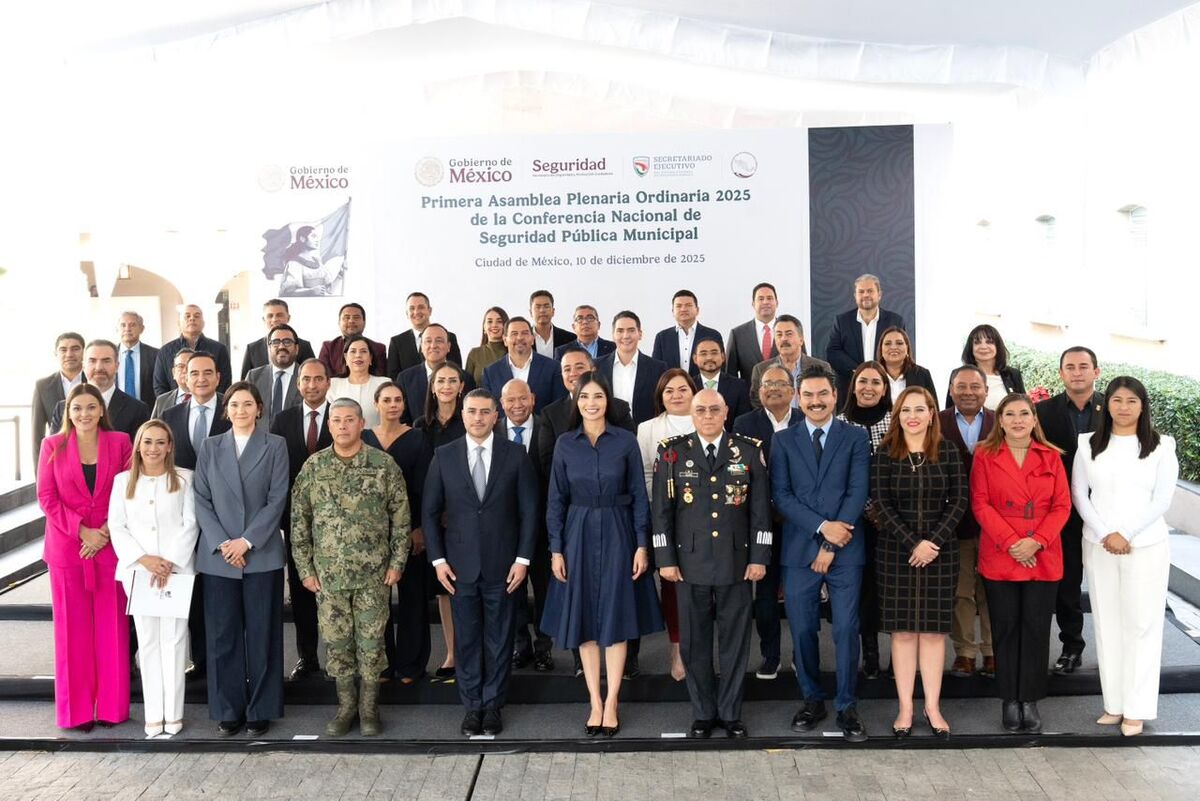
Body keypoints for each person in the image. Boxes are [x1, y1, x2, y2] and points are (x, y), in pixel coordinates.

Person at [541, 372, 664, 737]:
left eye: (597, 396)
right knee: (585, 623)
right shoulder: (565, 443)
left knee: (616, 616)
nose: (591, 403)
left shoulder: (625, 441)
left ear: (607, 401)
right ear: (576, 402)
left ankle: (613, 703)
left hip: (618, 530)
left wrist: (642, 544)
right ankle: (594, 701)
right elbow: (555, 500)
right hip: (577, 532)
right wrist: (555, 549)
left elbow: (640, 497)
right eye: (584, 397)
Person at [651, 389, 771, 738]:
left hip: (736, 562)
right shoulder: (672, 452)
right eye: (700, 409)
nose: (706, 415)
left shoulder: (748, 451)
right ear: (691, 412)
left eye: (713, 409)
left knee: (735, 642)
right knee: (694, 642)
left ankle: (731, 713)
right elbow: (661, 513)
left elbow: (760, 510)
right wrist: (666, 560)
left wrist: (759, 557)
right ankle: (703, 713)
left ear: (726, 412)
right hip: (688, 563)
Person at [292, 397, 411, 737]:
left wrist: (396, 563)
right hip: (329, 577)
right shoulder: (313, 468)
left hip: (374, 576)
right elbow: (300, 522)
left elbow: (401, 520)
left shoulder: (383, 465)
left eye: (349, 420)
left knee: (372, 645)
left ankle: (370, 709)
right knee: (338, 644)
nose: (343, 426)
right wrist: (305, 570)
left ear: (362, 424)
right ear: (329, 426)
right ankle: (345, 707)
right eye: (337, 420)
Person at [424, 389, 538, 736]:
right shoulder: (444, 455)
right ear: (463, 415)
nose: (477, 418)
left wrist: (523, 559)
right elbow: (429, 513)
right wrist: (438, 560)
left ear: (495, 416)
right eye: (471, 411)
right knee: (468, 639)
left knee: (499, 638)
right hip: (458, 568)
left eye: (485, 412)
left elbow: (530, 511)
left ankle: (493, 705)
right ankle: (472, 706)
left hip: (504, 566)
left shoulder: (515, 454)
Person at [1072, 376, 1178, 737]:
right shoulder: (1088, 444)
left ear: (1143, 405)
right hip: (1100, 544)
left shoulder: (1162, 445)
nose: (1124, 407)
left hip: (1145, 545)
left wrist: (1126, 533)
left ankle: (1137, 707)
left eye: (1132, 401)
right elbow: (1080, 496)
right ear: (1107, 405)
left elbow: (1162, 499)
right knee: (1106, 623)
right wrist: (1106, 534)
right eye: (1117, 400)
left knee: (1141, 625)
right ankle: (1114, 704)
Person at [771, 366, 871, 742]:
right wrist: (819, 529)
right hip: (799, 550)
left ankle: (847, 705)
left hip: (845, 549)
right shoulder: (783, 440)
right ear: (798, 398)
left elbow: (857, 491)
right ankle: (812, 698)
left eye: (822, 394)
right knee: (801, 629)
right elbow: (781, 495)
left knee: (846, 629)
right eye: (808, 395)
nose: (815, 401)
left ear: (835, 394)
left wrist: (831, 542)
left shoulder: (856, 437)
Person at [192, 381, 289, 737]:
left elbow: (278, 498)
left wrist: (246, 541)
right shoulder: (210, 446)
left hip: (260, 553)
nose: (241, 410)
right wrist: (223, 543)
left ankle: (260, 708)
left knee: (262, 634)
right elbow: (201, 499)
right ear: (226, 410)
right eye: (234, 404)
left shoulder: (275, 445)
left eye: (248, 404)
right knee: (223, 636)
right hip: (219, 557)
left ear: (259, 409)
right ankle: (228, 708)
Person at [870, 387, 968, 738]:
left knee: (932, 632)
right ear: (897, 416)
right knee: (903, 633)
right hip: (897, 552)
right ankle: (906, 707)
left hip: (940, 553)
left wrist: (933, 542)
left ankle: (932, 706)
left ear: (931, 414)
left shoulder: (949, 452)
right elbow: (880, 504)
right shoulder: (884, 454)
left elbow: (959, 501)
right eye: (905, 410)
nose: (913, 416)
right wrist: (914, 543)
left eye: (920, 409)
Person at [970, 392, 1070, 734]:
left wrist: (1035, 542)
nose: (1017, 420)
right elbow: (980, 504)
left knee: (1036, 629)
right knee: (1006, 627)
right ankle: (1009, 700)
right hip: (1002, 551)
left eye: (1024, 414)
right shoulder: (984, 454)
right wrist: (1013, 542)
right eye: (1009, 414)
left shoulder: (1051, 456)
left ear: (1034, 419)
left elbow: (1062, 507)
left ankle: (1029, 699)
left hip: (1042, 552)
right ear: (1000, 420)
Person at [37, 383, 134, 731]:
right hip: (68, 549)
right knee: (71, 632)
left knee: (112, 628)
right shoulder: (52, 446)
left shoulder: (120, 442)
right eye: (77, 408)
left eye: (91, 407)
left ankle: (111, 708)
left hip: (109, 546)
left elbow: (128, 491)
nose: (84, 414)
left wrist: (104, 531)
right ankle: (76, 712)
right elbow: (47, 498)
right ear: (68, 412)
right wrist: (82, 531)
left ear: (101, 410)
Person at [108, 419, 198, 737]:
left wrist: (170, 561)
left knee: (174, 640)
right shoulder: (122, 482)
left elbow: (191, 524)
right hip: (139, 572)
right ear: (138, 446)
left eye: (160, 442)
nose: (153, 448)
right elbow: (117, 526)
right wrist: (145, 560)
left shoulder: (186, 479)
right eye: (147, 442)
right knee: (147, 642)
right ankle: (153, 713)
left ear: (170, 446)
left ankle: (173, 714)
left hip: (176, 572)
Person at [1036, 346, 1105, 676]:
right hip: (1059, 511)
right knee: (1066, 583)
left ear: (1096, 371)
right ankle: (1072, 646)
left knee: (1107, 583)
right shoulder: (1042, 412)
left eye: (1083, 366)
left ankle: (1113, 650)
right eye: (1070, 367)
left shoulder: (1113, 408)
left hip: (1106, 510)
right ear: (1061, 373)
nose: (1077, 372)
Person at [159, 351, 229, 674]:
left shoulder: (233, 412)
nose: (200, 378)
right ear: (184, 377)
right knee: (191, 589)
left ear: (217, 377)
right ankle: (199, 659)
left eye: (207, 373)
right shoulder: (170, 414)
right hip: (182, 516)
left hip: (225, 514)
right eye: (194, 373)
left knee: (220, 591)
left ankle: (223, 658)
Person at [733, 365, 802, 680]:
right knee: (765, 594)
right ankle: (770, 655)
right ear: (758, 391)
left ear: (793, 390)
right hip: (761, 522)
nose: (773, 388)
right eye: (766, 383)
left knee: (803, 593)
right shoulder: (744, 423)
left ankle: (803, 654)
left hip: (801, 521)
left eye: (780, 382)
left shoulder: (806, 420)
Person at [361, 382, 429, 684]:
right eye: (386, 399)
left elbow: (426, 487)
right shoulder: (364, 438)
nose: (393, 405)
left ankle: (411, 666)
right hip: (371, 535)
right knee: (376, 603)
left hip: (409, 530)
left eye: (398, 400)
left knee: (413, 598)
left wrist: (419, 528)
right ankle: (383, 664)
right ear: (376, 404)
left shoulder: (417, 438)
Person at [269, 358, 334, 680]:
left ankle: (339, 659)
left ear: (328, 382)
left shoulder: (341, 416)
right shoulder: (282, 420)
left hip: (337, 523)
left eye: (318, 379)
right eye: (306, 379)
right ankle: (307, 656)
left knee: (334, 592)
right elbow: (276, 473)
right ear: (298, 384)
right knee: (301, 590)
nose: (312, 385)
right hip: (295, 521)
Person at [635, 368, 697, 680]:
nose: (676, 395)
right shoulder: (647, 429)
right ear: (660, 396)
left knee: (702, 586)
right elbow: (646, 474)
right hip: (665, 521)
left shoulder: (708, 417)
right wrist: (662, 506)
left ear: (693, 391)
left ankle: (698, 649)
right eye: (669, 390)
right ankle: (676, 649)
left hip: (704, 521)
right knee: (672, 586)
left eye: (682, 389)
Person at [835, 360, 893, 679]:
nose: (868, 388)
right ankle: (868, 653)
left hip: (889, 522)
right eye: (862, 381)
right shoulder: (840, 423)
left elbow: (899, 472)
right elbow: (836, 476)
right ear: (853, 386)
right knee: (860, 589)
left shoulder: (897, 422)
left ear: (884, 389)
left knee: (886, 587)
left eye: (875, 382)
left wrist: (882, 509)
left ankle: (895, 655)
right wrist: (862, 507)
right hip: (851, 522)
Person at [939, 365, 996, 678]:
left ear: (986, 390)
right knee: (961, 592)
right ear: (950, 390)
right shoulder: (938, 422)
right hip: (954, 524)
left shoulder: (1001, 422)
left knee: (991, 590)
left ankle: (991, 650)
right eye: (961, 387)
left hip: (996, 526)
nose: (968, 392)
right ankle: (964, 652)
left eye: (975, 387)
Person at [415, 362, 469, 681]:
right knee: (445, 589)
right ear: (433, 387)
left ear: (461, 386)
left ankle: (472, 649)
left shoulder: (470, 420)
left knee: (469, 585)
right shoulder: (422, 426)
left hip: (465, 517)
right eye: (441, 381)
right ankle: (452, 652)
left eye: (452, 380)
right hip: (434, 517)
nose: (446, 385)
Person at [498, 379, 554, 672]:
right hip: (506, 528)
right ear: (501, 402)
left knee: (544, 590)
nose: (517, 405)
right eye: (510, 400)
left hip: (544, 526)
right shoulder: (492, 431)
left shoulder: (550, 427)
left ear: (533, 399)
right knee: (513, 591)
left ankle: (544, 647)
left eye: (523, 399)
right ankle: (521, 645)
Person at [50, 339, 151, 442]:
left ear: (117, 366)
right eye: (92, 361)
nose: (99, 367)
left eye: (106, 361)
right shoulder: (62, 408)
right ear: (83, 366)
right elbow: (55, 450)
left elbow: (138, 455)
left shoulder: (137, 410)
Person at [824, 274, 907, 399]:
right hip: (850, 389)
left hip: (886, 388)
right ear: (855, 296)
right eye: (861, 291)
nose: (865, 295)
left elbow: (903, 352)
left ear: (879, 294)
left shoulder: (895, 320)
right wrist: (859, 371)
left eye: (870, 291)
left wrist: (878, 374)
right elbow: (833, 352)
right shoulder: (842, 321)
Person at [596, 310, 668, 426]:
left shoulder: (658, 368)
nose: (625, 336)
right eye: (620, 331)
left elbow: (662, 405)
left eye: (631, 330)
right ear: (613, 335)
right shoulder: (597, 366)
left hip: (645, 434)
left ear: (640, 334)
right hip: (607, 435)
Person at [395, 323, 476, 424]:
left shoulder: (465, 378)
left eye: (439, 341)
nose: (433, 346)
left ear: (449, 346)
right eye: (428, 341)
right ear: (421, 346)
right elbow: (401, 418)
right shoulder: (405, 379)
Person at [482, 317, 562, 414]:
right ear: (505, 340)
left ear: (532, 339)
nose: (519, 337)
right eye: (514, 334)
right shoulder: (491, 373)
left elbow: (558, 407)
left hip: (543, 428)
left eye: (525, 333)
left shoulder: (553, 368)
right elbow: (489, 410)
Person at [748, 315, 832, 408]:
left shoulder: (822, 367)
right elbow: (757, 405)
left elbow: (829, 403)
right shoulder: (760, 369)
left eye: (789, 334)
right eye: (779, 334)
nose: (784, 339)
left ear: (801, 339)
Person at [152, 304, 233, 396]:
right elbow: (159, 385)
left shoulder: (219, 349)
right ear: (179, 323)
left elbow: (225, 382)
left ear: (203, 323)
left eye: (197, 316)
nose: (192, 319)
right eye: (187, 316)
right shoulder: (165, 351)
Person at [33, 332, 85, 463]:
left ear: (84, 352)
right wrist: (39, 473)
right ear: (56, 354)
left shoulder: (94, 382)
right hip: (58, 458)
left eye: (75, 349)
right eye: (63, 349)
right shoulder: (42, 386)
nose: (69, 354)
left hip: (92, 458)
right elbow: (37, 434)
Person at [945, 324, 1024, 410]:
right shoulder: (959, 374)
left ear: (997, 346)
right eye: (977, 342)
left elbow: (1024, 406)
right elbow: (950, 411)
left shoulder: (1013, 375)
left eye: (989, 342)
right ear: (971, 348)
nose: (983, 346)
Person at [386, 292, 463, 377]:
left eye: (421, 307)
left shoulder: (448, 337)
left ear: (429, 311)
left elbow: (457, 369)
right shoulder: (397, 342)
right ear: (407, 314)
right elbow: (393, 376)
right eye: (412, 308)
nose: (416, 312)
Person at [651, 289, 724, 374]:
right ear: (672, 311)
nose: (683, 309)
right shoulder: (662, 337)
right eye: (678, 306)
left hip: (704, 387)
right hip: (672, 386)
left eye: (688, 305)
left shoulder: (713, 335)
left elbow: (721, 367)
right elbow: (656, 369)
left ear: (697, 310)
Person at [239, 299, 316, 379]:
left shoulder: (304, 346)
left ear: (288, 318)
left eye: (279, 315)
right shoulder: (252, 349)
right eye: (270, 316)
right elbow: (244, 382)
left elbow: (313, 374)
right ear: (264, 319)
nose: (275, 319)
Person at [246, 324, 303, 429]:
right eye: (275, 342)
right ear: (269, 348)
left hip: (293, 442)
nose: (281, 346)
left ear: (296, 348)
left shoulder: (306, 377)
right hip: (260, 440)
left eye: (287, 342)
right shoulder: (254, 377)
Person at [329, 335, 391, 428]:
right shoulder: (333, 384)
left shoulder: (384, 384)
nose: (358, 355)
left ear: (370, 358)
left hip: (377, 440)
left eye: (363, 351)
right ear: (345, 357)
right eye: (353, 351)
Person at [692, 336, 751, 430]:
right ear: (695, 359)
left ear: (723, 357)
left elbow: (744, 421)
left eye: (714, 353)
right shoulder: (688, 386)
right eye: (703, 354)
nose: (709, 357)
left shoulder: (739, 386)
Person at [725, 282, 779, 382]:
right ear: (753, 304)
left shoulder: (790, 330)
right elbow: (730, 374)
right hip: (748, 396)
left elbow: (802, 366)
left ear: (777, 303)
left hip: (784, 396)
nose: (765, 302)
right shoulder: (737, 334)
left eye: (769, 298)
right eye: (761, 299)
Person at [319, 303, 388, 378]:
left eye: (356, 317)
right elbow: (323, 378)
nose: (351, 321)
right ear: (339, 322)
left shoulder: (378, 348)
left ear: (364, 323)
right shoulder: (328, 347)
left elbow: (380, 378)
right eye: (347, 317)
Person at [876, 326, 937, 407]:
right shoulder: (873, 374)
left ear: (907, 347)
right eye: (887, 343)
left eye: (899, 343)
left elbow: (933, 409)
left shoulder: (922, 374)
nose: (893, 347)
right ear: (881, 349)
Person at [279, 225, 345, 297]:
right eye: (313, 236)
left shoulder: (318, 262)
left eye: (317, 237)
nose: (317, 240)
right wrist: (310, 291)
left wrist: (340, 274)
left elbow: (329, 290)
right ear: (302, 239)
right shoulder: (294, 263)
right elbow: (289, 292)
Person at [116, 311, 160, 408]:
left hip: (147, 413)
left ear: (141, 329)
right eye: (123, 325)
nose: (127, 329)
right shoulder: (109, 355)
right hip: (115, 414)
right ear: (117, 329)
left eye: (132, 325)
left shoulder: (156, 355)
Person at [464, 306, 509, 384]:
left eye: (499, 321)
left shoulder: (513, 352)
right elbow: (467, 386)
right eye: (490, 321)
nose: (494, 325)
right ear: (484, 327)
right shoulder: (474, 353)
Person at [529, 289, 577, 358]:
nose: (542, 310)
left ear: (553, 311)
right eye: (538, 307)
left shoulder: (570, 339)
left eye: (546, 306)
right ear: (531, 312)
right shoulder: (523, 339)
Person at [152, 348, 194, 419]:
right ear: (174, 373)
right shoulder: (162, 401)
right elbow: (153, 428)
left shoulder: (212, 398)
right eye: (181, 366)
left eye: (189, 366)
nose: (185, 370)